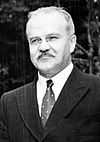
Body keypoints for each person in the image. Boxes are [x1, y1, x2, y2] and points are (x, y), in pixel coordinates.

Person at [0, 6, 100, 142]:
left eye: (52, 38)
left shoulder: (96, 91)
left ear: (72, 43)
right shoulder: (9, 103)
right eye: (35, 40)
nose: (43, 47)